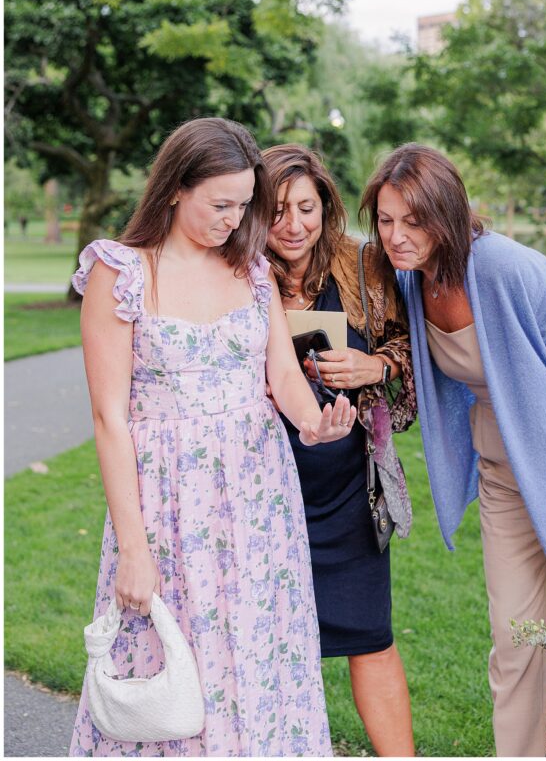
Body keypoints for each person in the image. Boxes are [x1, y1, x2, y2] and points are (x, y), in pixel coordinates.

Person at [69, 118, 356, 758]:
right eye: (220, 204)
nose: (235, 219)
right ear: (175, 188)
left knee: (258, 653)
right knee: (178, 660)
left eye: (242, 204)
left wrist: (314, 423)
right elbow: (110, 419)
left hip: (259, 498)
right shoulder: (122, 273)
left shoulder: (250, 271)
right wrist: (132, 550)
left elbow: (280, 371)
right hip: (169, 506)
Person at [360, 143, 546, 758]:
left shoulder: (507, 268)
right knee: (516, 641)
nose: (396, 235)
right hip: (504, 475)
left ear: (446, 214)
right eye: (386, 220)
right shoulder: (410, 280)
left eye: (412, 221)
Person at [262, 144, 416, 758]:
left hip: (349, 484)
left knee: (368, 632)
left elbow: (411, 356)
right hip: (264, 484)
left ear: (326, 207)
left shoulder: (363, 267)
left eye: (306, 208)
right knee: (266, 636)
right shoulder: (236, 272)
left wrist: (373, 362)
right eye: (276, 211)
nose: (293, 225)